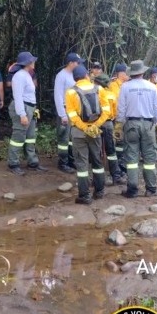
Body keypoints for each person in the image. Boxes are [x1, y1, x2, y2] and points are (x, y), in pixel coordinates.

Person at [115, 60, 157, 198]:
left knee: (131, 158)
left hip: (131, 125)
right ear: (142, 72)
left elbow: (121, 109)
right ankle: (151, 189)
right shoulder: (152, 87)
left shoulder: (125, 87)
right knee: (149, 159)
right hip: (148, 126)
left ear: (132, 72)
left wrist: (118, 126)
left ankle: (133, 190)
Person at [66, 65, 110, 204]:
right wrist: (95, 126)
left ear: (74, 79)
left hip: (79, 132)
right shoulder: (99, 89)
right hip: (95, 131)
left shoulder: (71, 92)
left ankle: (84, 196)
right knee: (97, 160)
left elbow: (72, 115)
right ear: (86, 76)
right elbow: (107, 111)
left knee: (82, 163)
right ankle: (100, 191)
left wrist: (84, 127)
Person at [7, 52, 47, 176]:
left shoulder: (26, 75)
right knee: (18, 137)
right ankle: (13, 163)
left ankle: (32, 162)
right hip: (23, 107)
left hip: (30, 107)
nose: (34, 62)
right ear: (28, 63)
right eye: (32, 61)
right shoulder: (19, 76)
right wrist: (22, 114)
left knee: (30, 136)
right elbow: (18, 96)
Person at [93, 73, 126, 185]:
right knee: (111, 151)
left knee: (96, 151)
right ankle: (116, 176)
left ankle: (97, 179)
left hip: (95, 124)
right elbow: (116, 112)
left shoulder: (92, 93)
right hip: (108, 124)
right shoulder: (111, 95)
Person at [54, 52, 83, 173]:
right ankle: (63, 162)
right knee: (64, 139)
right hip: (65, 110)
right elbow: (58, 96)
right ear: (71, 63)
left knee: (72, 138)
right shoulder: (61, 75)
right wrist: (62, 115)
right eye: (77, 62)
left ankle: (71, 161)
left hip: (74, 111)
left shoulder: (75, 75)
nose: (79, 64)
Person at [108, 63, 129, 170]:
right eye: (126, 72)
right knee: (117, 140)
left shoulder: (127, 85)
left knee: (124, 141)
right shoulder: (113, 85)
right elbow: (114, 102)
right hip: (117, 118)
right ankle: (117, 163)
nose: (128, 75)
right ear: (121, 74)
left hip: (126, 118)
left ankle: (122, 161)